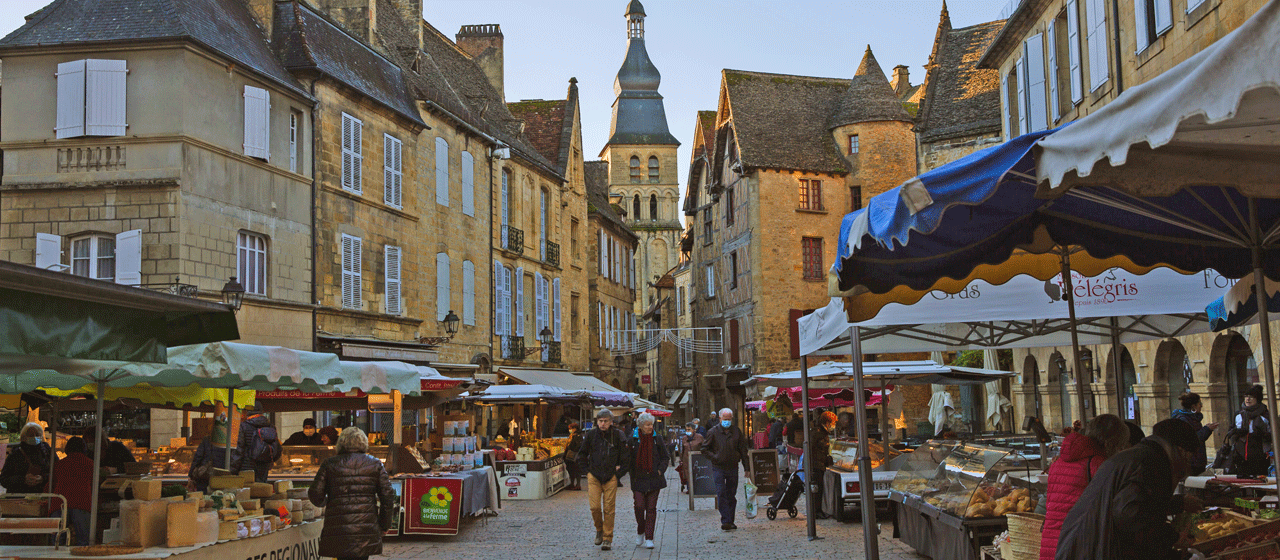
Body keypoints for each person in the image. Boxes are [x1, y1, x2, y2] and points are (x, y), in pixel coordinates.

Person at [1054, 418, 1202, 560]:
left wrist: (1177, 504)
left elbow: (1143, 504)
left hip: (1086, 546)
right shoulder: (1150, 461)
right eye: (1189, 458)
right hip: (1095, 549)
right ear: (1181, 451)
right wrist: (1172, 537)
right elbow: (1130, 515)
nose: (1187, 465)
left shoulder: (1139, 456)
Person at [1039, 414, 1132, 560]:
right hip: (1078, 546)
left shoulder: (1058, 463)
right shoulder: (1099, 464)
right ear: (1111, 443)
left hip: (1051, 544)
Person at [308, 427, 396, 560]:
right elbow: (388, 496)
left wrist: (327, 503)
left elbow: (315, 494)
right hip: (365, 527)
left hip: (338, 526)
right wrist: (384, 525)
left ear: (341, 443)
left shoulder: (329, 464)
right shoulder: (375, 464)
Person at [577, 409, 629, 551]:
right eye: (600, 421)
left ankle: (607, 538)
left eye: (606, 421)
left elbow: (626, 458)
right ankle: (599, 529)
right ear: (597, 422)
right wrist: (586, 472)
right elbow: (581, 455)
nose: (603, 424)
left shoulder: (618, 435)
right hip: (594, 476)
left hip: (610, 477)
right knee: (594, 507)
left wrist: (618, 476)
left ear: (611, 422)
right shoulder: (591, 435)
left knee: (609, 509)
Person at [702, 408, 750, 531]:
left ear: (731, 419)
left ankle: (730, 520)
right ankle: (726, 520)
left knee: (731, 494)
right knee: (721, 492)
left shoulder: (736, 432)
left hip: (733, 467)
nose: (727, 421)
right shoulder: (713, 432)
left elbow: (743, 450)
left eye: (729, 419)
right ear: (720, 419)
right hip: (718, 467)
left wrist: (747, 467)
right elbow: (704, 449)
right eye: (725, 419)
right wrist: (715, 457)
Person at [628, 413, 668, 549]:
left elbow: (665, 457)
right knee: (639, 507)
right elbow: (628, 459)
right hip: (638, 479)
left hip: (653, 479)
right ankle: (641, 531)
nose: (650, 427)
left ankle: (649, 537)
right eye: (647, 425)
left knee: (651, 509)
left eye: (651, 424)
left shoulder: (657, 438)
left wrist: (660, 470)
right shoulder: (633, 440)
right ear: (641, 426)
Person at [53, 437, 94, 546]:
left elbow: (51, 484)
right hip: (82, 503)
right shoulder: (90, 464)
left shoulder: (59, 464)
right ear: (84, 448)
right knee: (83, 542)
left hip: (59, 503)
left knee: (57, 542)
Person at [1228, 385, 1272, 477]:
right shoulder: (1238, 415)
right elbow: (1230, 432)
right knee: (1243, 485)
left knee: (1260, 485)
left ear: (1258, 399)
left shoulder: (1265, 415)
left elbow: (1273, 436)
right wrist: (1236, 432)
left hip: (1260, 457)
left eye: (1251, 397)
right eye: (1246, 396)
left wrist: (1262, 434)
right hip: (1241, 457)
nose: (1248, 399)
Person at [190, 416, 241, 492]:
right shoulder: (231, 442)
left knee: (205, 499)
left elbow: (198, 457)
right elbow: (236, 458)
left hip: (206, 478)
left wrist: (191, 475)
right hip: (224, 478)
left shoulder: (207, 439)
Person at [1171, 392, 1218, 475]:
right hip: (1190, 464)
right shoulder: (1183, 419)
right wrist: (1207, 429)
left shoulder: (1193, 419)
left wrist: (1207, 429)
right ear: (1193, 406)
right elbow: (1192, 439)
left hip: (1196, 462)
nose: (1201, 406)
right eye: (1199, 403)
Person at [1, 423, 51, 494]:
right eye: (31, 435)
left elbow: (57, 472)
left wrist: (43, 478)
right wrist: (23, 479)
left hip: (43, 497)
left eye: (37, 435)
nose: (34, 437)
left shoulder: (47, 451)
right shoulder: (16, 454)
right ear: (24, 437)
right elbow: (3, 479)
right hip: (19, 498)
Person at [237, 411, 282, 483]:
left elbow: (238, 451)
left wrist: (233, 470)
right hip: (263, 470)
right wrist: (270, 461)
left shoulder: (243, 426)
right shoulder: (271, 426)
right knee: (261, 492)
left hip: (246, 469)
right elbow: (278, 450)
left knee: (247, 492)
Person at [809, 411, 837, 519]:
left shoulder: (823, 433)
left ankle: (818, 509)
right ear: (827, 422)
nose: (833, 425)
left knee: (819, 488)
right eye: (833, 423)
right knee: (817, 489)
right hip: (815, 465)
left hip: (820, 464)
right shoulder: (817, 433)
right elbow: (812, 449)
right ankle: (816, 511)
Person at [677, 422, 704, 493]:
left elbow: (704, 448)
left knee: (696, 473)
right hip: (686, 459)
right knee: (688, 474)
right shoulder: (684, 438)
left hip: (697, 459)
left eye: (689, 429)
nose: (687, 431)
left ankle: (697, 488)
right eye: (686, 429)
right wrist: (681, 460)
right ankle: (689, 489)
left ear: (694, 430)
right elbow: (682, 450)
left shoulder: (699, 437)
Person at [564, 422, 584, 491]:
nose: (569, 430)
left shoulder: (577, 435)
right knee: (571, 470)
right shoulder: (573, 435)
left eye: (570, 428)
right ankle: (572, 484)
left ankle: (577, 485)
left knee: (575, 469)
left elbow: (578, 446)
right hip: (572, 454)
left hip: (575, 455)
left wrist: (571, 450)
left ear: (574, 428)